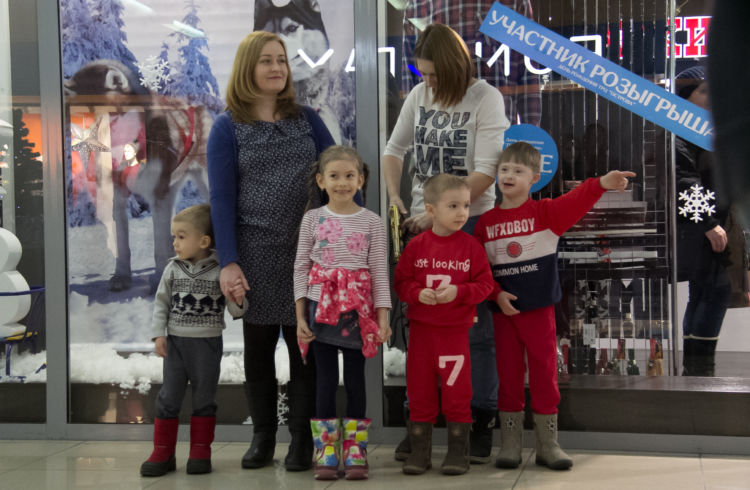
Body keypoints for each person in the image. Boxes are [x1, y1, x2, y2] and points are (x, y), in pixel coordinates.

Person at [206, 30, 335, 471]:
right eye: (266, 60)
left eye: (281, 59)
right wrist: (228, 262)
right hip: (255, 253)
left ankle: (301, 438)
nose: (277, 67)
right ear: (248, 67)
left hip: (311, 254)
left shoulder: (308, 119)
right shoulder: (227, 126)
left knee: (306, 349)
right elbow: (221, 198)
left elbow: (338, 172)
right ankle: (263, 435)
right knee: (258, 349)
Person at [383, 22, 510, 463]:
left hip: (469, 222)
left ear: (457, 67)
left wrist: (445, 210)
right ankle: (419, 422)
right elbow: (393, 150)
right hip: (422, 224)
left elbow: (486, 170)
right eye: (423, 74)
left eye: (435, 75)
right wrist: (398, 198)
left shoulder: (485, 98)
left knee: (473, 331)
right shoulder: (419, 97)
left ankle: (476, 421)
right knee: (421, 330)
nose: (428, 82)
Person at [474, 142, 634, 470]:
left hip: (539, 314)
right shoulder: (484, 224)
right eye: (504, 169)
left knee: (546, 375)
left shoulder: (545, 213)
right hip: (504, 316)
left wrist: (601, 183)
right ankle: (510, 445)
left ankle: (549, 445)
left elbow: (576, 200)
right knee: (507, 377)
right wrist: (496, 295)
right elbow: (479, 271)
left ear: (534, 177)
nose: (508, 175)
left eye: (517, 171)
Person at [293, 146, 391, 480]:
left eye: (350, 176)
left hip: (356, 312)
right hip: (322, 310)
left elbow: (379, 271)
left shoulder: (372, 222)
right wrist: (300, 317)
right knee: (323, 381)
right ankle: (326, 449)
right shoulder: (312, 219)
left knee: (355, 381)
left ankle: (355, 451)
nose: (342, 183)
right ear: (321, 180)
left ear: (361, 179)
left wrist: (383, 317)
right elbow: (301, 268)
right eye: (334, 176)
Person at [394, 173, 495, 476]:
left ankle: (457, 451)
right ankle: (420, 451)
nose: (462, 213)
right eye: (453, 206)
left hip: (454, 335)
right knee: (420, 391)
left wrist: (460, 292)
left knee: (457, 393)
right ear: (430, 210)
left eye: (465, 205)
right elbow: (402, 282)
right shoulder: (416, 247)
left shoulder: (471, 247)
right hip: (423, 334)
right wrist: (417, 293)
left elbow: (485, 286)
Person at [140, 203, 247, 477]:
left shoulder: (220, 270)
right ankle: (162, 451)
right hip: (176, 343)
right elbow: (161, 304)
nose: (175, 242)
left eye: (181, 236)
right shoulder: (172, 270)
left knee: (204, 397)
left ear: (204, 241)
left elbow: (237, 310)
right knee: (168, 397)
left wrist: (238, 297)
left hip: (207, 345)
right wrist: (158, 334)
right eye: (174, 237)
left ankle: (200, 450)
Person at [673, 67, 736, 377]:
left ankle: (695, 369)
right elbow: (683, 181)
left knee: (704, 291)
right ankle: (700, 366)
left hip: (705, 225)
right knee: (717, 291)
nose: (712, 98)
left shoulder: (703, 132)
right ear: (686, 97)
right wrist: (709, 223)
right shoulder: (680, 132)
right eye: (704, 92)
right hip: (697, 227)